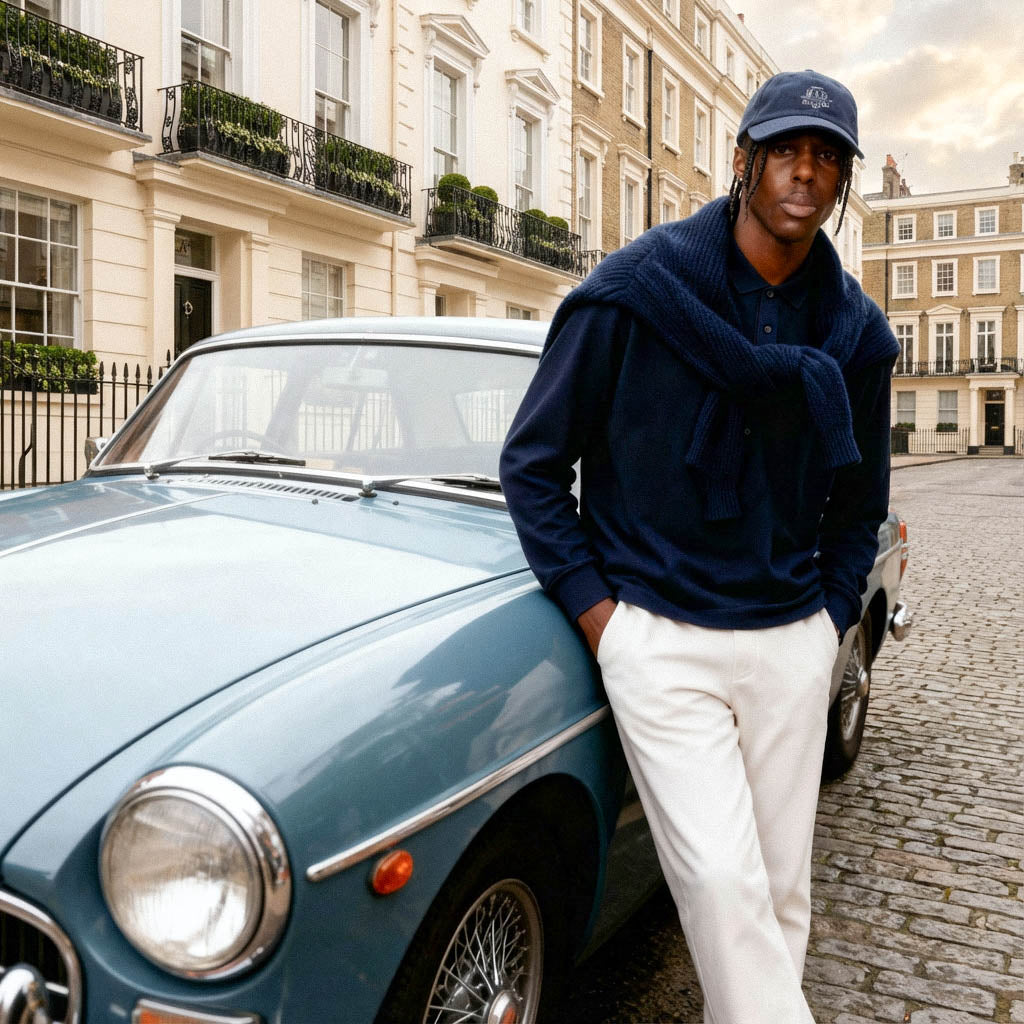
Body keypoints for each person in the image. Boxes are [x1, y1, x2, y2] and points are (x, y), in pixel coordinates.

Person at [498, 70, 898, 1023]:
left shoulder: (857, 338)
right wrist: (606, 621)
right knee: (722, 881)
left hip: (789, 640)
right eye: (788, 151)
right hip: (657, 636)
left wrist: (828, 622)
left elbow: (860, 507)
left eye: (826, 158)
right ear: (744, 160)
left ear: (840, 183)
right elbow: (534, 466)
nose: (806, 173)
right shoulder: (635, 294)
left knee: (779, 895)